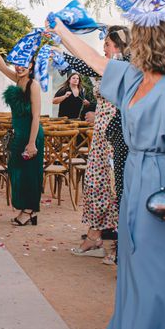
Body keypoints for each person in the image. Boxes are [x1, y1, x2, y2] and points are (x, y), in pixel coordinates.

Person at [48, 17, 165, 329]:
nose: (134, 46)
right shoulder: (131, 79)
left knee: (154, 259)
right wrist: (60, 31)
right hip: (133, 175)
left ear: (152, 47)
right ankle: (133, 324)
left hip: (162, 179)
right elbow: (93, 59)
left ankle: (162, 326)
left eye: (141, 41)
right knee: (131, 256)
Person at [62, 26, 130, 263]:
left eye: (108, 45)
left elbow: (86, 62)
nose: (104, 49)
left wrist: (61, 46)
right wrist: (60, 44)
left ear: (120, 46)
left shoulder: (124, 66)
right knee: (96, 183)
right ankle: (97, 236)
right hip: (101, 134)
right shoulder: (106, 66)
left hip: (117, 136)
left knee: (115, 186)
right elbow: (84, 61)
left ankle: (116, 244)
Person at [0, 37, 44, 226]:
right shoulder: (17, 79)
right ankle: (26, 210)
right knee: (17, 172)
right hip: (19, 134)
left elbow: (36, 117)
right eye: (17, 63)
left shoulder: (33, 85)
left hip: (31, 135)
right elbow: (2, 66)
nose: (19, 67)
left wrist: (32, 143)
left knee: (29, 174)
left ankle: (29, 211)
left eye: (24, 63)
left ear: (32, 65)